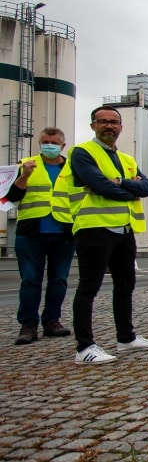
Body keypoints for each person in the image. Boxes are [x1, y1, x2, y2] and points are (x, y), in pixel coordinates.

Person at [52, 106, 148, 364]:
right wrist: (129, 189)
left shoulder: (126, 159)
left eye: (114, 122)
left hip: (124, 229)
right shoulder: (82, 152)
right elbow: (100, 185)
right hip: (94, 228)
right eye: (103, 122)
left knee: (125, 285)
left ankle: (126, 338)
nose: (109, 126)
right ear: (93, 125)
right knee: (89, 287)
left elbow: (147, 187)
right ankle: (84, 348)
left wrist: (122, 184)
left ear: (121, 127)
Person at [5, 128, 75, 345]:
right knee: (30, 280)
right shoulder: (27, 165)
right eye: (45, 142)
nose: (49, 146)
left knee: (59, 280)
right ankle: (28, 325)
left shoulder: (72, 168)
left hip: (63, 231)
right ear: (39, 143)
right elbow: (12, 197)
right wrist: (24, 176)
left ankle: (52, 321)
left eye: (54, 142)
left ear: (63, 146)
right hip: (31, 233)